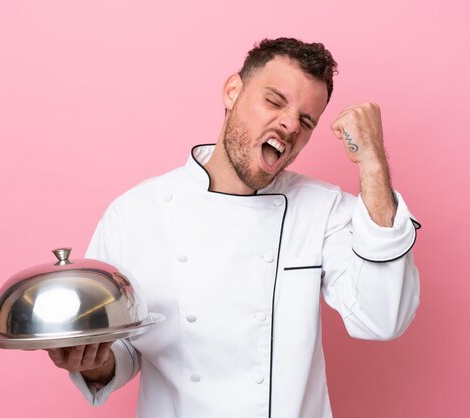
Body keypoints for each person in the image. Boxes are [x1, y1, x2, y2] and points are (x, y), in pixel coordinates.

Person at [46, 37, 421, 418]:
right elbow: (121, 350)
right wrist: (93, 361)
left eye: (306, 120)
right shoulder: (136, 212)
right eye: (274, 101)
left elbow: (382, 317)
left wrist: (372, 162)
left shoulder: (324, 211)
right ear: (232, 91)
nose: (290, 124)